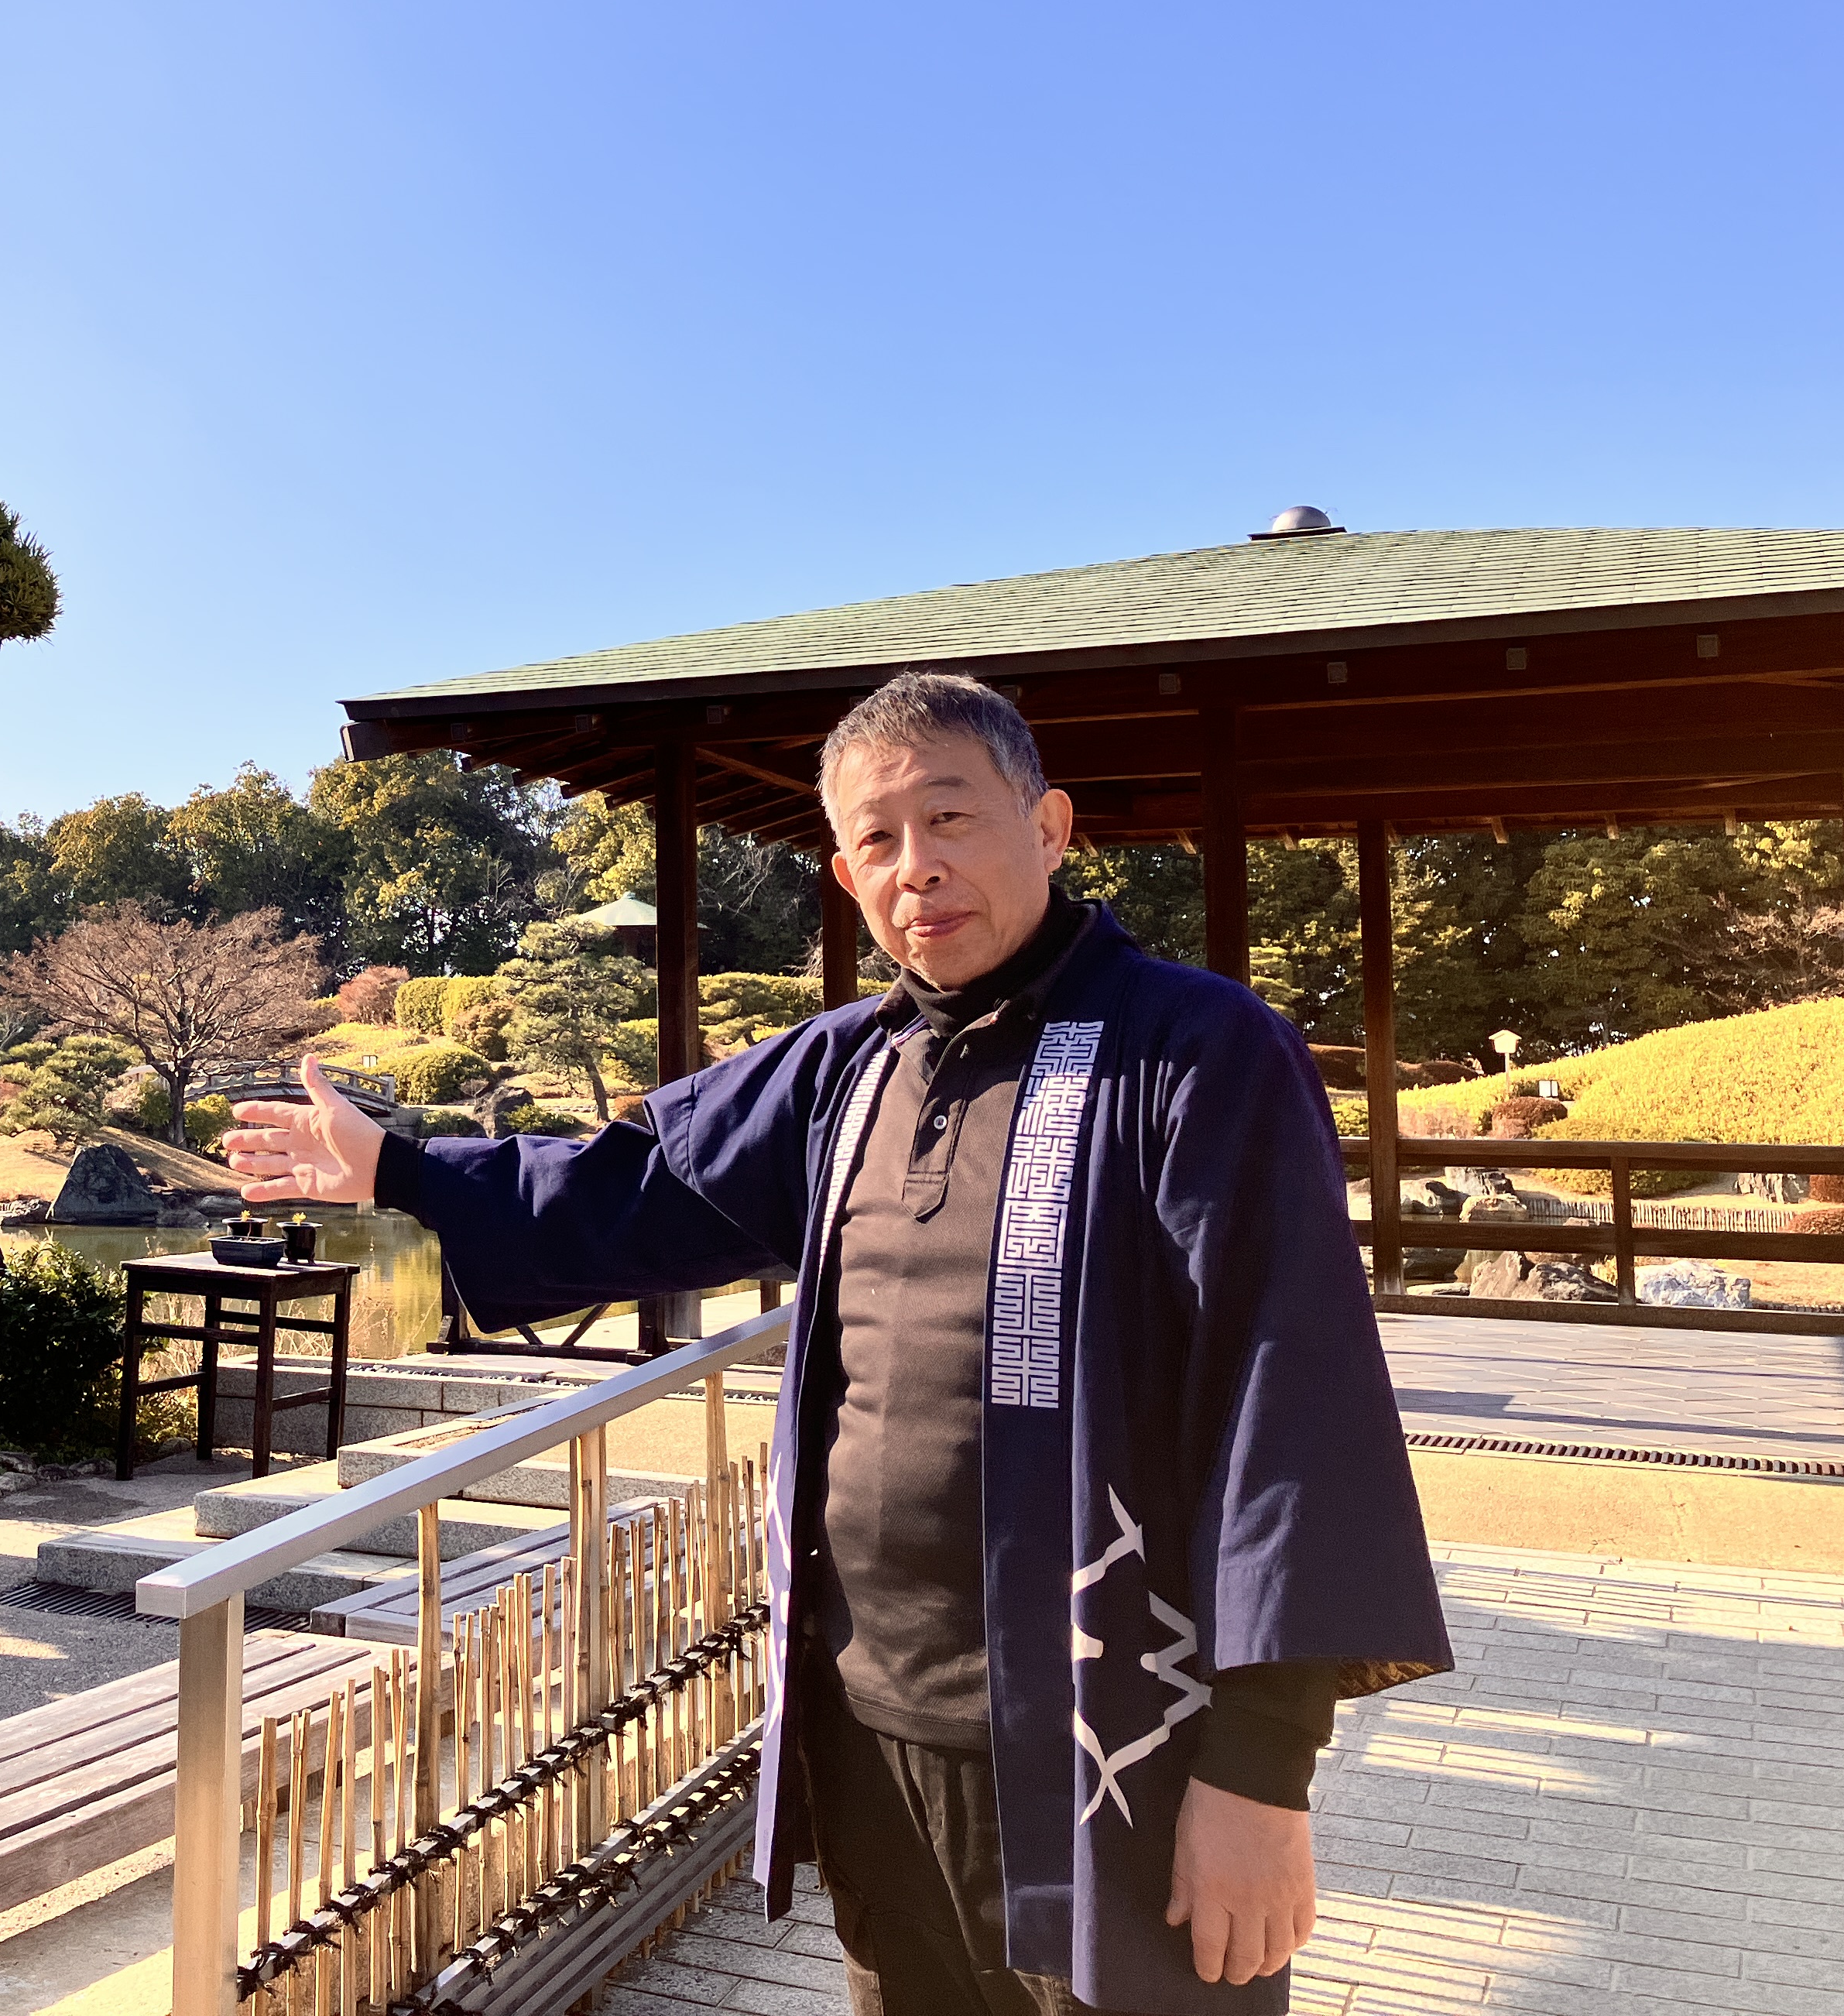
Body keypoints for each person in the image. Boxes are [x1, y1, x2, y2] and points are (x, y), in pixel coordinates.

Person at [226, 670, 1448, 2016]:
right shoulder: (843, 1067)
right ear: (845, 871)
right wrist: (402, 1167)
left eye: (953, 818)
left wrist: (1263, 1774)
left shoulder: (1197, 1054)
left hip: (1119, 1732)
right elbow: (636, 1188)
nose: (917, 869)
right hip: (868, 1724)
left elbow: (1292, 1407)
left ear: (1049, 828)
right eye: (877, 841)